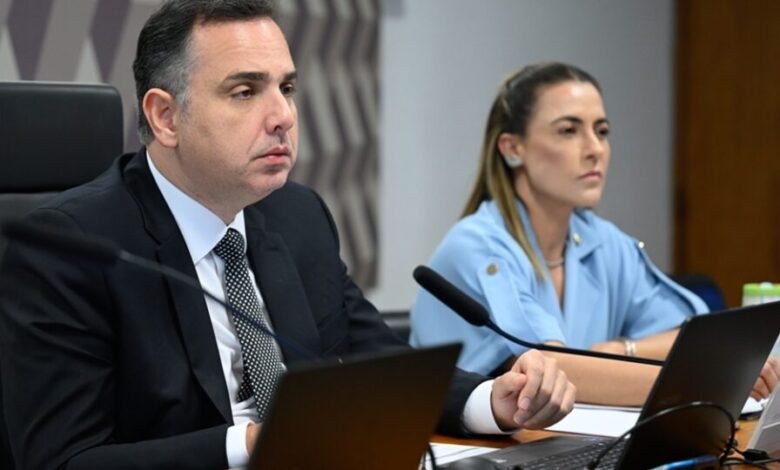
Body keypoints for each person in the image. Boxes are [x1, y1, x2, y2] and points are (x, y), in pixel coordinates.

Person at [0, 3, 576, 469]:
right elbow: (63, 460)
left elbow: (372, 359)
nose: (284, 116)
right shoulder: (71, 248)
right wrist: (254, 444)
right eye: (245, 91)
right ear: (166, 117)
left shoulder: (297, 216)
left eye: (288, 87)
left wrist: (489, 401)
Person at [410, 62, 780, 406]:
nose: (594, 150)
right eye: (568, 131)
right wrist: (711, 376)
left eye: (601, 131)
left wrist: (623, 350)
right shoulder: (476, 246)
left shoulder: (600, 240)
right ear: (512, 148)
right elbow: (548, 370)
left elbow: (694, 335)